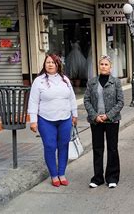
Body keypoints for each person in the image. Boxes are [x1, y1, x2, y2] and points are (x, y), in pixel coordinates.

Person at [28, 54, 78, 187]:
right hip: (46, 120)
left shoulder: (65, 80)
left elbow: (72, 98)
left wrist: (75, 114)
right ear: (44, 65)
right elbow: (33, 101)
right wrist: (33, 120)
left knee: (64, 146)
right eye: (47, 62)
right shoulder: (39, 81)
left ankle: (61, 173)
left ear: (58, 65)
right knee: (50, 146)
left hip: (65, 119)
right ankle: (54, 175)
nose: (50, 64)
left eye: (53, 62)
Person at [84, 55, 124, 189]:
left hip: (111, 121)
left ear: (111, 67)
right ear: (98, 66)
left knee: (112, 148)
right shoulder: (92, 82)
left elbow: (120, 102)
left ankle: (112, 177)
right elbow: (86, 100)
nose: (103, 66)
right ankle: (97, 177)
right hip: (96, 121)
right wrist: (95, 116)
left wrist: (108, 116)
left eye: (106, 64)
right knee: (98, 149)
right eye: (101, 64)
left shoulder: (116, 82)